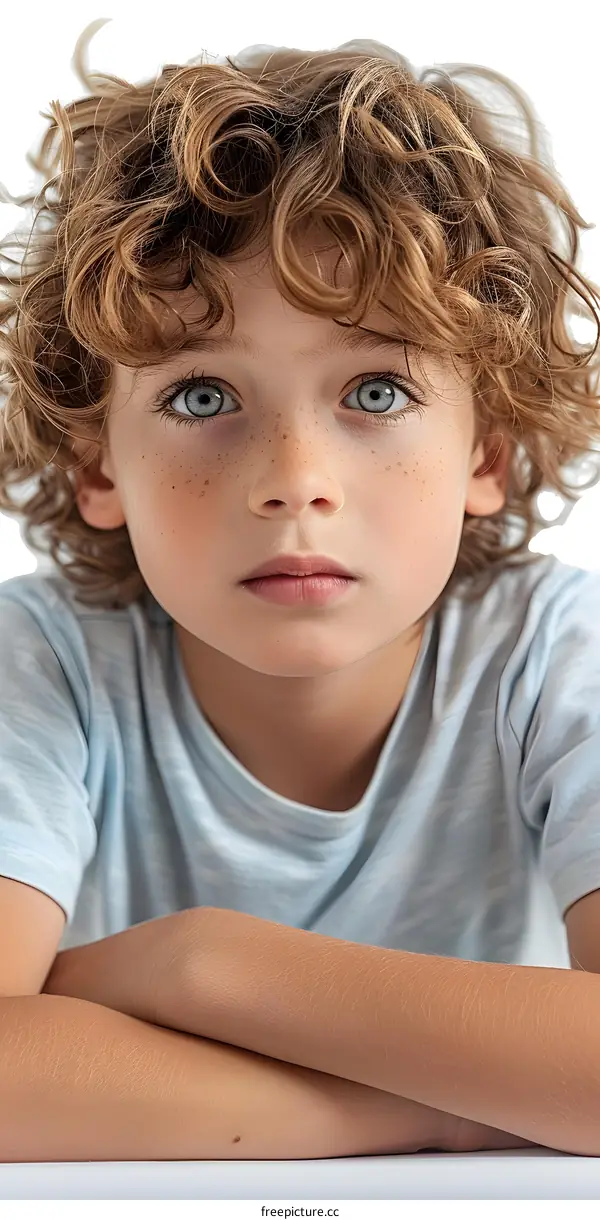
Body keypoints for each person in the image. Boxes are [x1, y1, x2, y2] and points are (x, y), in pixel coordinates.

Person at [0, 21, 599, 1164]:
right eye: (196, 396)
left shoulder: (552, 650)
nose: (294, 483)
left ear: (490, 454)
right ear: (95, 463)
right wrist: (440, 1109)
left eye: (375, 390)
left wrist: (203, 961)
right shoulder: (43, 662)